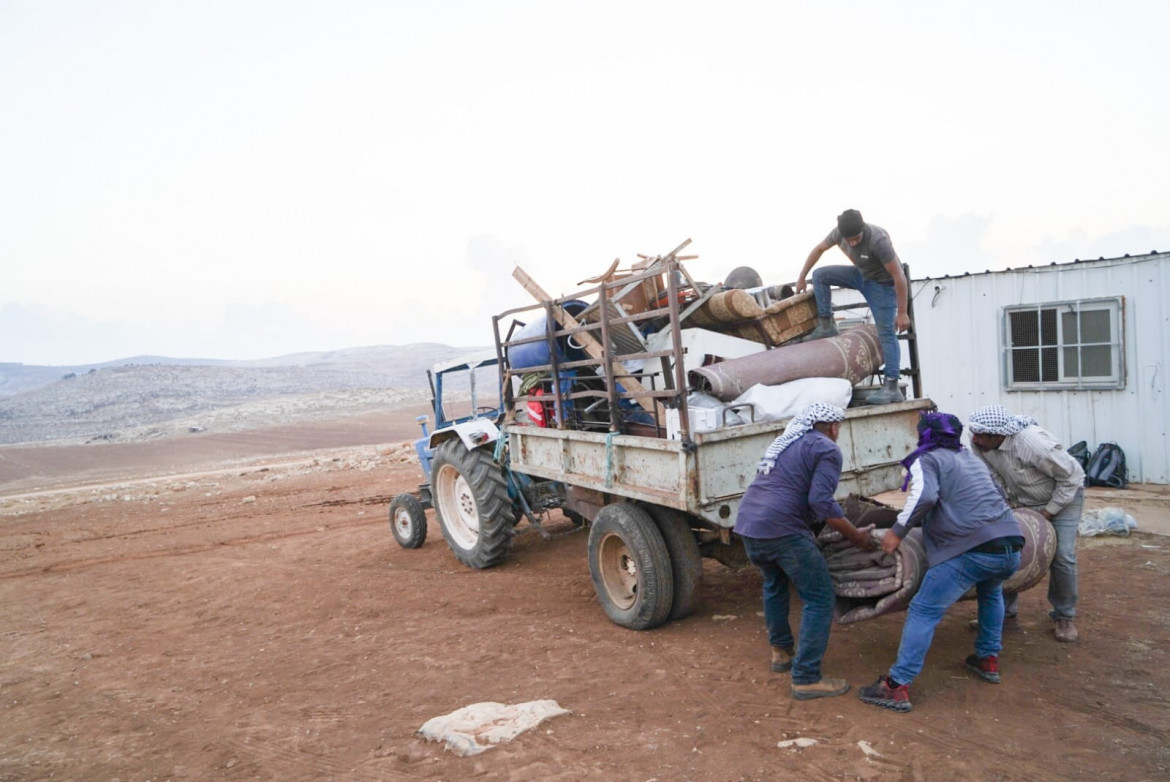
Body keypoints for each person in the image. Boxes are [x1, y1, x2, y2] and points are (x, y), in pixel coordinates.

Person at [859, 412, 1023, 713]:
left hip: (974, 549)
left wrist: (897, 532)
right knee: (991, 592)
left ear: (926, 436)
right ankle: (987, 659)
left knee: (924, 610)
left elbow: (924, 496)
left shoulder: (929, 459)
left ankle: (896, 686)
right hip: (1010, 544)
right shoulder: (970, 459)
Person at [734, 402, 877, 701]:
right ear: (834, 427)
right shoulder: (826, 448)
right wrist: (855, 536)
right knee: (820, 596)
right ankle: (806, 678)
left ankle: (781, 653)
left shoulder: (788, 441)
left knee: (774, 583)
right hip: (782, 529)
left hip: (749, 524)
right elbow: (822, 503)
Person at [968, 405, 1085, 642]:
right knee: (1008, 550)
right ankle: (1004, 613)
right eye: (974, 433)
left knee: (1061, 556)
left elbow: (1073, 477)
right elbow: (994, 474)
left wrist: (1047, 513)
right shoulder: (980, 443)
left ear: (999, 435)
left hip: (1061, 499)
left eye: (981, 435)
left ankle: (1064, 616)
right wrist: (1008, 501)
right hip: (1020, 499)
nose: (975, 439)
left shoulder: (1033, 445)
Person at [795, 209, 911, 405]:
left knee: (886, 333)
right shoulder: (839, 233)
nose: (853, 243)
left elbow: (898, 275)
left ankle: (891, 387)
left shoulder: (878, 240)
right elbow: (818, 250)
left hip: (882, 285)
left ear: (863, 229)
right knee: (820, 275)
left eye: (857, 239)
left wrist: (902, 312)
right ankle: (826, 325)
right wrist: (800, 278)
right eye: (849, 240)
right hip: (860, 275)